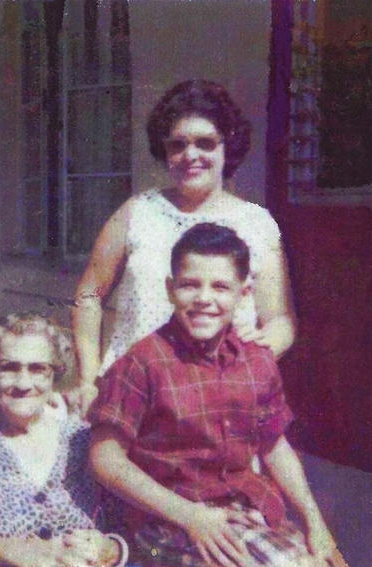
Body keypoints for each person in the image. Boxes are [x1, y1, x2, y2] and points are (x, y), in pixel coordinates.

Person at [88, 223, 346, 567]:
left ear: (244, 293)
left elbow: (273, 446)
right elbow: (105, 459)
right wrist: (191, 516)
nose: (204, 299)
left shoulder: (257, 361)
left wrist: (315, 524)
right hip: (167, 521)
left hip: (242, 513)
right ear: (170, 289)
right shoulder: (143, 363)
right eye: (190, 285)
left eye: (221, 286)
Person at [72, 79, 295, 412]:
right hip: (134, 394)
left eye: (205, 143)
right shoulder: (137, 213)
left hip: (218, 400)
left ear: (226, 147)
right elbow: (89, 296)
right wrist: (89, 379)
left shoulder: (256, 224)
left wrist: (248, 364)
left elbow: (280, 321)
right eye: (178, 145)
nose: (191, 155)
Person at [0, 313, 128, 567]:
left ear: (55, 374)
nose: (23, 383)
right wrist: (3, 550)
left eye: (37, 369)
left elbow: (132, 536)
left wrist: (111, 549)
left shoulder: (84, 440)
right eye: (9, 368)